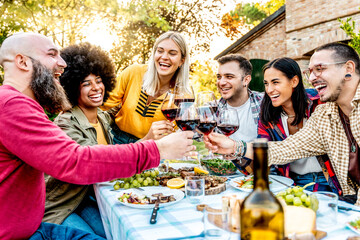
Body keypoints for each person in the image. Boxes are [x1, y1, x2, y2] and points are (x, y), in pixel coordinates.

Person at [0, 32, 195, 239]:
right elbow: (75, 161)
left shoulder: (23, 105)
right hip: (40, 224)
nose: (62, 63)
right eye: (52, 54)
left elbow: (106, 118)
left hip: (47, 217)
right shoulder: (11, 105)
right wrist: (158, 149)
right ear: (22, 62)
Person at [204, 42, 360, 204]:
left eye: (320, 69)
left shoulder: (318, 105)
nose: (312, 78)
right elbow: (286, 149)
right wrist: (235, 147)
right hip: (308, 188)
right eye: (311, 72)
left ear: (348, 69)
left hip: (335, 191)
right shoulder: (326, 113)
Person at [43, 42, 118, 237]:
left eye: (99, 80)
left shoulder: (101, 117)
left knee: (117, 232)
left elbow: (120, 109)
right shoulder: (65, 123)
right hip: (60, 206)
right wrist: (147, 142)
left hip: (84, 199)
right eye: (86, 83)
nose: (96, 88)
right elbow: (94, 162)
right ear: (72, 87)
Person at [102, 31, 191, 144]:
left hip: (154, 147)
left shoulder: (183, 94)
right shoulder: (133, 72)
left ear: (182, 61)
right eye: (160, 51)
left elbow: (181, 132)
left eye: (172, 53)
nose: (164, 57)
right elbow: (103, 104)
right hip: (117, 140)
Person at [258, 57, 330, 191]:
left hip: (331, 182)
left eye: (275, 82)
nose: (269, 90)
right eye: (266, 84)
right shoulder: (267, 116)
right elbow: (263, 156)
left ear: (294, 81)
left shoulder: (320, 102)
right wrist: (235, 152)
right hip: (291, 184)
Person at [216, 54, 263, 142]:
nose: (221, 82)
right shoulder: (211, 109)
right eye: (219, 77)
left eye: (229, 76)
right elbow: (192, 135)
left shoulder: (264, 102)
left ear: (246, 80)